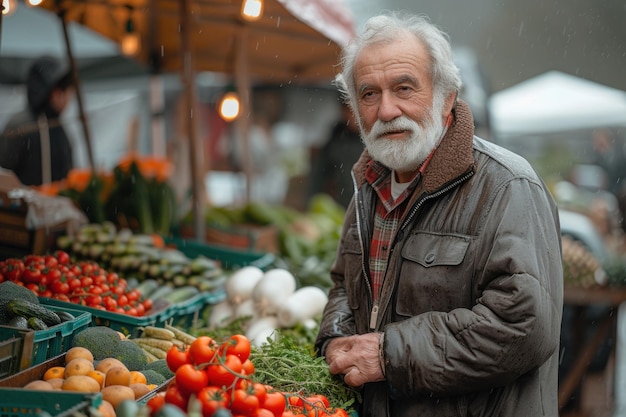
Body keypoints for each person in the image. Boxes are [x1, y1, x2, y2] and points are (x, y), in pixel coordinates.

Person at [314, 12, 563, 417]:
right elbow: (345, 284)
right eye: (369, 94)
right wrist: (335, 339)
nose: (387, 109)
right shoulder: (369, 185)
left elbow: (524, 327)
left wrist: (388, 354)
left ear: (445, 97)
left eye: (404, 87)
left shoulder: (507, 186)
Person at [0, 55, 75, 186]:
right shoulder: (21, 126)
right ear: (56, 93)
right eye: (68, 91)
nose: (71, 97)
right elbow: (3, 176)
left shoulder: (56, 126)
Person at [308, 100, 364, 208]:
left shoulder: (374, 141)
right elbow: (318, 177)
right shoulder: (336, 141)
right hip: (343, 205)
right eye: (349, 111)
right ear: (343, 111)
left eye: (357, 110)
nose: (354, 116)